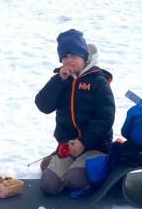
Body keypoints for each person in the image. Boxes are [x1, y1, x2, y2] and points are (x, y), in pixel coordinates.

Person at [34, 30, 114, 195]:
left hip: (94, 146)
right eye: (65, 57)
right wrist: (58, 81)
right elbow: (43, 105)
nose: (69, 61)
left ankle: (101, 164)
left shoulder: (99, 82)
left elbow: (105, 119)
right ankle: (60, 160)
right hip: (67, 146)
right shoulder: (62, 79)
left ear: (83, 56)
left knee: (74, 180)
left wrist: (84, 142)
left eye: (73, 55)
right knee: (48, 185)